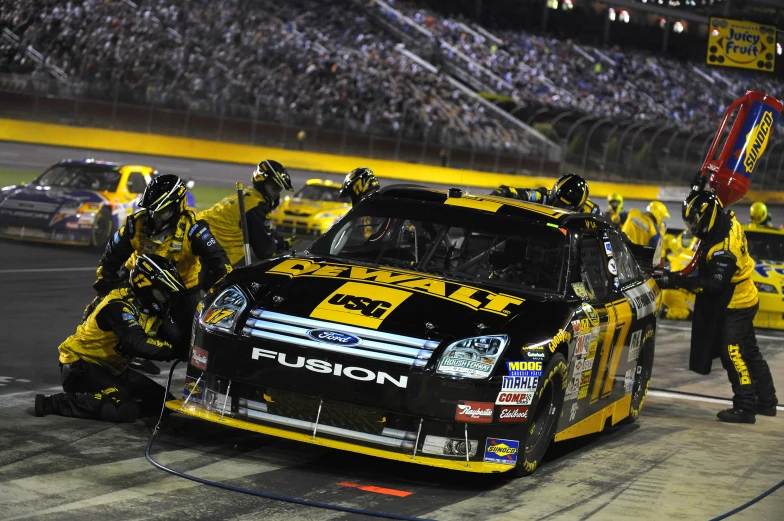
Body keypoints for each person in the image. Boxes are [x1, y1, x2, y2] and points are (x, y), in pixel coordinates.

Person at [655, 191, 777, 423]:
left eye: (694, 220)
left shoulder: (724, 251)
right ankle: (768, 402)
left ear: (707, 216)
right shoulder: (727, 218)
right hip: (746, 294)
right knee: (750, 351)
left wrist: (674, 281)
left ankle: (745, 407)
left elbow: (712, 287)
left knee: (731, 350)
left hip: (736, 302)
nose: (692, 225)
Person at [35, 254, 189, 422]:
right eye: (163, 291)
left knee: (165, 402)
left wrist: (190, 349)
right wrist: (174, 351)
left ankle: (119, 401)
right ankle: (50, 403)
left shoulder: (154, 310)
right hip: (81, 365)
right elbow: (137, 344)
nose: (166, 297)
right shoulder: (118, 305)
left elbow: (178, 338)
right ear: (144, 284)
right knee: (122, 409)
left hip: (113, 369)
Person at [91, 174, 231, 332]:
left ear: (176, 208)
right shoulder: (134, 225)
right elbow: (110, 257)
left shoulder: (194, 230)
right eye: (151, 211)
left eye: (161, 212)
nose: (154, 217)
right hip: (135, 282)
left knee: (194, 333)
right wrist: (105, 284)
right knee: (95, 314)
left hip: (181, 289)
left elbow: (219, 260)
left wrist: (228, 291)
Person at [197, 160, 295, 266]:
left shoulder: (249, 196)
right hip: (208, 254)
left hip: (199, 238)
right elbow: (265, 251)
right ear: (262, 182)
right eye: (274, 188)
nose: (276, 194)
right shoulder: (256, 208)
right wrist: (279, 251)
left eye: (278, 189)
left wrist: (278, 240)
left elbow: (260, 229)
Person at [490, 173, 602, 215]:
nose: (560, 209)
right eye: (558, 204)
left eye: (566, 208)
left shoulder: (593, 211)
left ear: (579, 207)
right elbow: (517, 193)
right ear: (553, 194)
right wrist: (502, 192)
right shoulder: (542, 195)